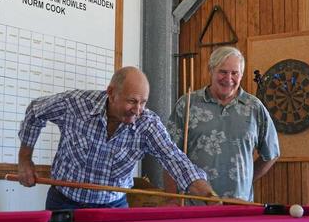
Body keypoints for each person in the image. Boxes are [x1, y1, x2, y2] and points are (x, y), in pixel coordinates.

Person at [17, 66, 217, 210]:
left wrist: (207, 194)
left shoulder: (147, 123)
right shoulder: (76, 104)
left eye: (143, 102)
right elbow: (35, 111)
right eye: (132, 101)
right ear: (111, 93)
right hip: (64, 202)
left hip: (112, 207)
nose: (138, 110)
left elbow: (174, 158)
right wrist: (25, 160)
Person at [164, 46, 280, 203]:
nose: (228, 78)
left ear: (241, 75)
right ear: (211, 71)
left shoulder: (254, 107)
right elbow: (168, 154)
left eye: (234, 73)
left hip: (238, 205)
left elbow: (271, 154)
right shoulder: (188, 104)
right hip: (195, 204)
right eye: (223, 72)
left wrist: (246, 177)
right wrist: (173, 198)